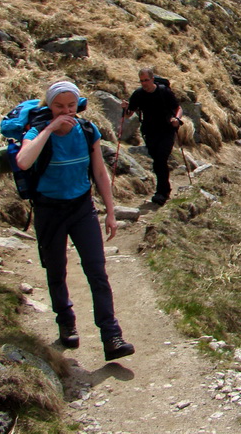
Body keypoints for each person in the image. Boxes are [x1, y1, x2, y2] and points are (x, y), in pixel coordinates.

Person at [17, 81, 135, 362]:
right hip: (48, 209)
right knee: (56, 269)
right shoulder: (36, 132)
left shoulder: (87, 130)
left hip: (82, 207)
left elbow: (99, 171)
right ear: (49, 106)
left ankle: (111, 336)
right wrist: (48, 129)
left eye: (71, 106)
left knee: (97, 271)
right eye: (59, 106)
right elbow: (23, 161)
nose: (66, 111)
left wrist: (110, 211)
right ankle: (66, 321)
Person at [121, 68, 182, 206]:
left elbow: (178, 108)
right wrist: (125, 108)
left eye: (146, 80)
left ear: (152, 79)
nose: (144, 83)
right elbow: (128, 114)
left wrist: (176, 119)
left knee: (161, 158)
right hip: (149, 132)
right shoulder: (138, 94)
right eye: (142, 81)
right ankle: (163, 189)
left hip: (167, 130)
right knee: (157, 160)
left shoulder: (163, 91)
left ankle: (162, 192)